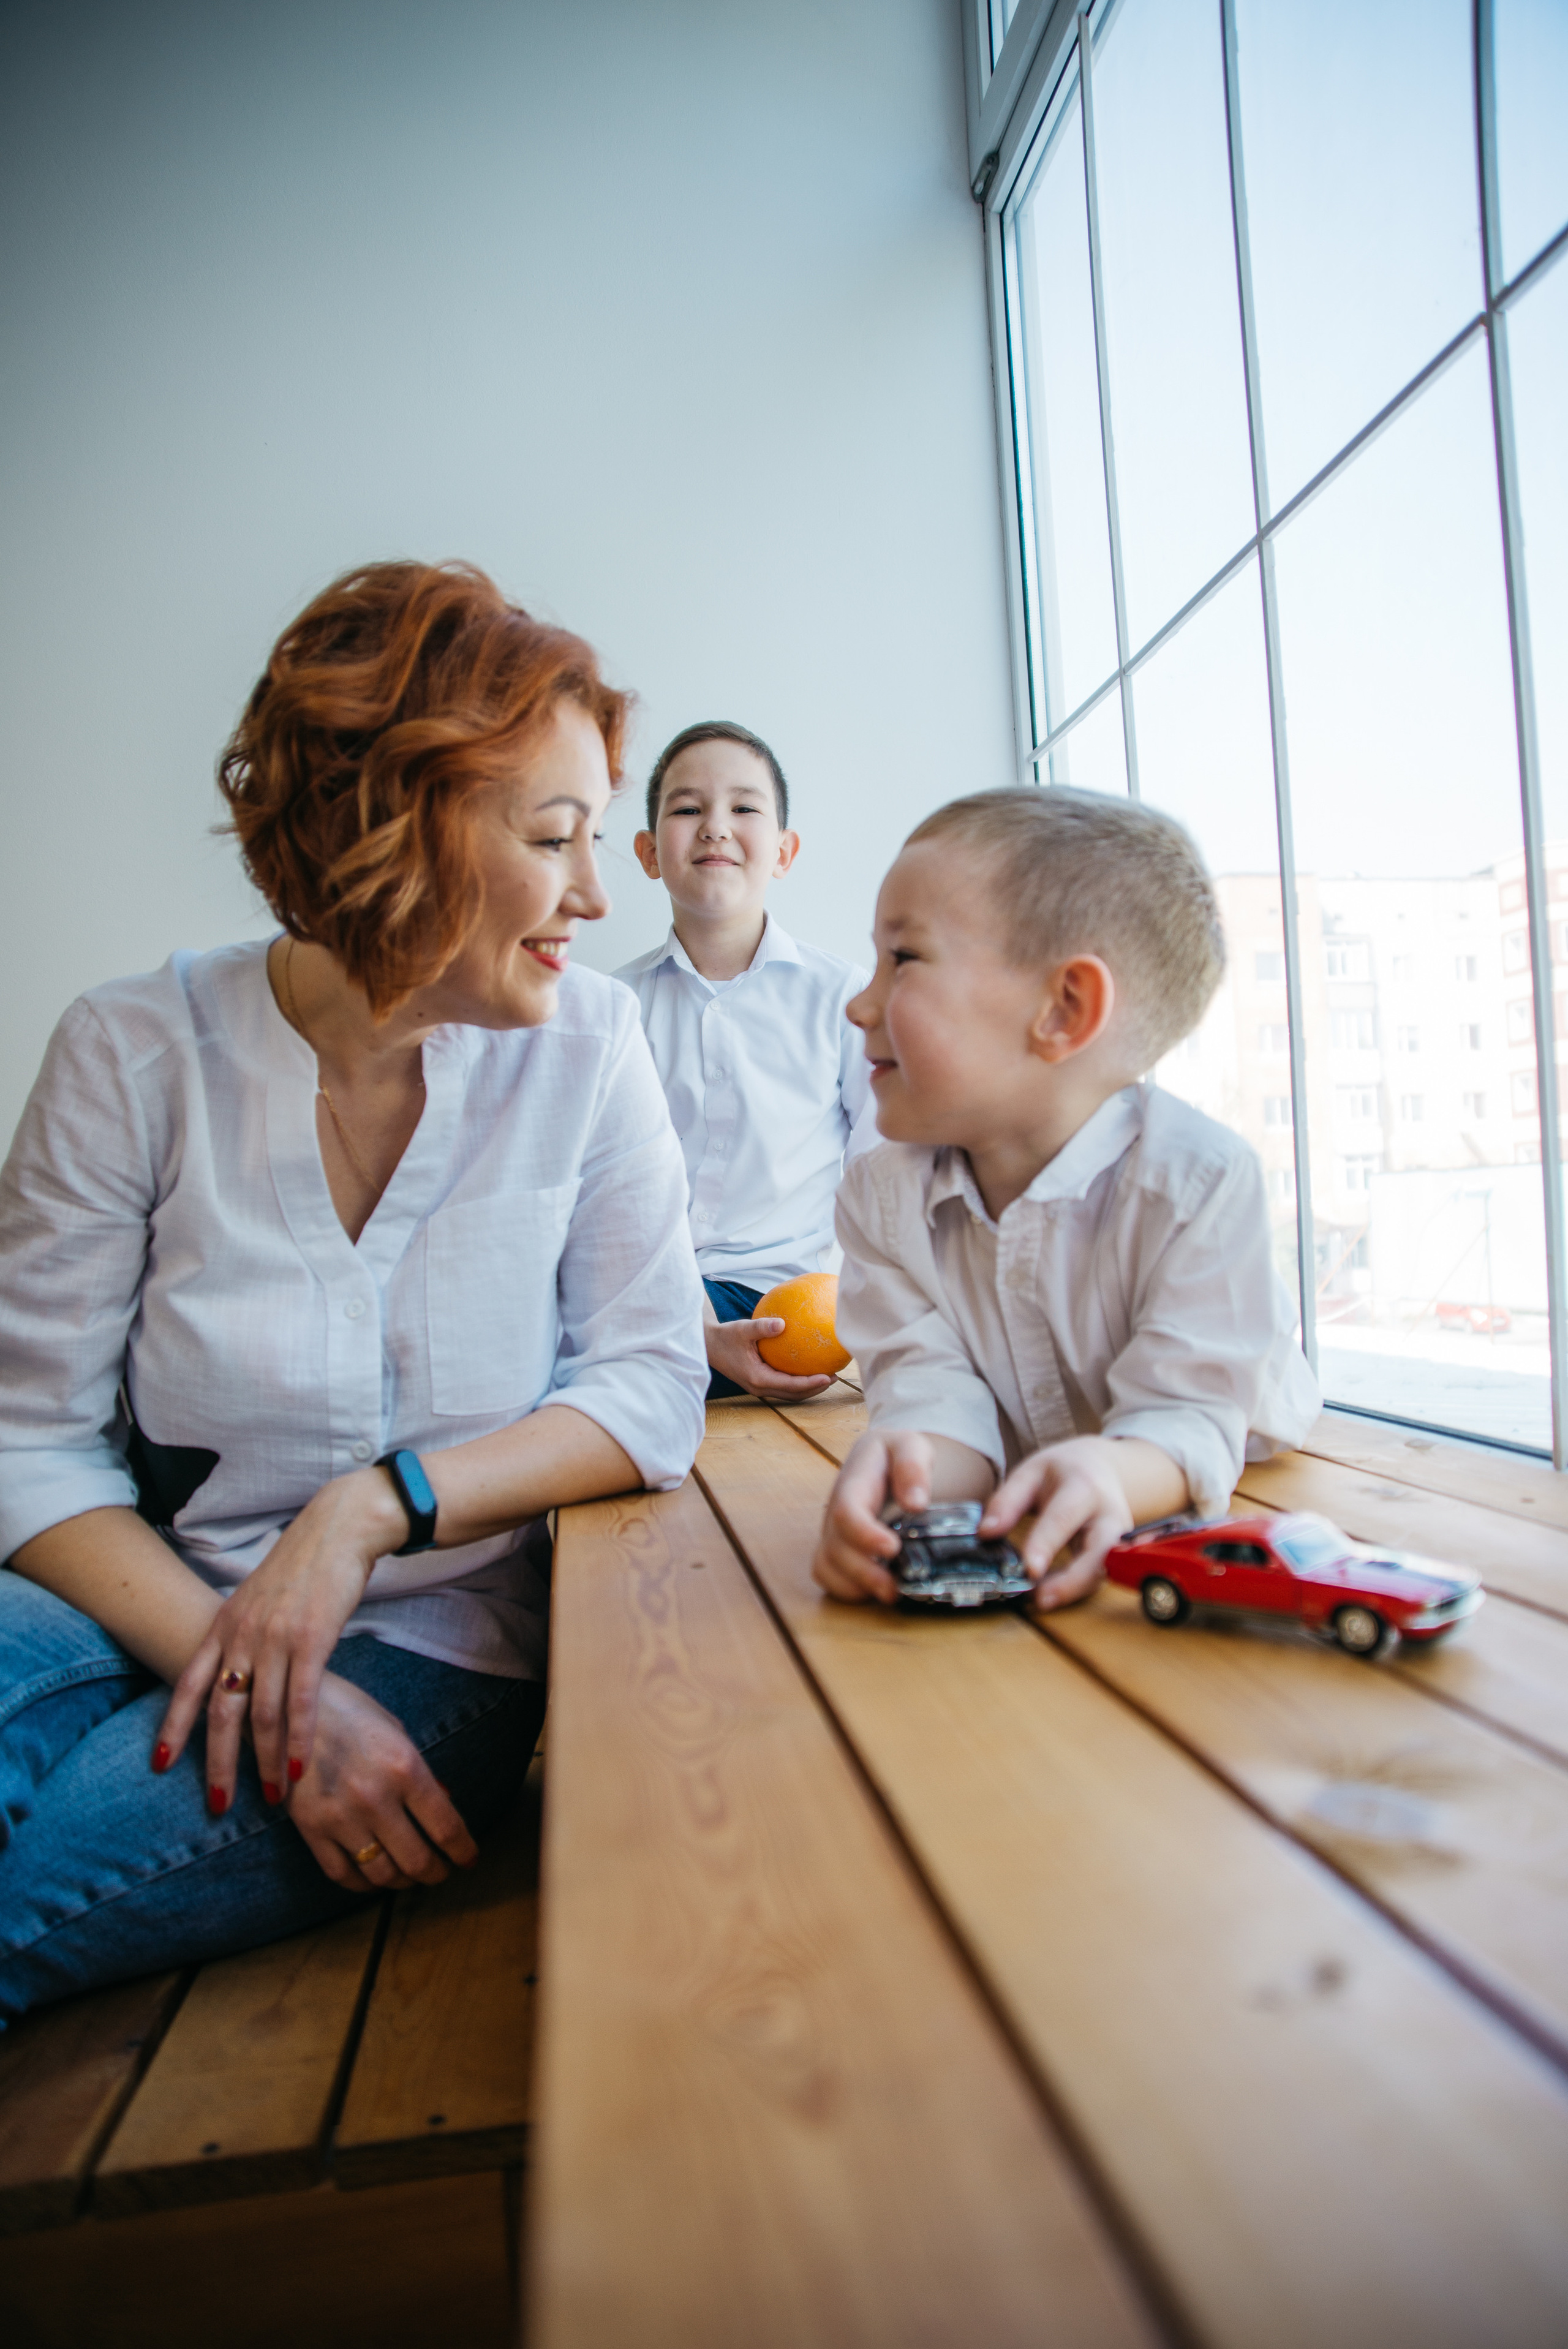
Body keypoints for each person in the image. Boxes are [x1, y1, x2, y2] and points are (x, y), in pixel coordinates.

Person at [0, 560, 707, 2022]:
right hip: (139, 1601)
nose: (595, 890)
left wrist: (369, 1508)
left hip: (428, 1639)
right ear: (394, 825)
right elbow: (29, 1442)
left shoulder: (590, 1044)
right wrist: (257, 1679)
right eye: (554, 836)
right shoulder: (131, 1051)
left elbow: (648, 1380)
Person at [812, 786, 1320, 1611]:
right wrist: (904, 1480)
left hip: (1248, 1461)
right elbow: (931, 1394)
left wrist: (1113, 1469)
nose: (857, 1002)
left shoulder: (1199, 1180)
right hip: (1036, 1475)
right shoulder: (879, 1196)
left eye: (902, 959)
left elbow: (1190, 1417)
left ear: (1064, 1009)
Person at [614, 720, 876, 1401]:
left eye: (743, 807)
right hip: (635, 1289)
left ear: (784, 852)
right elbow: (596, 1191)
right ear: (648, 853)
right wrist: (690, 1320)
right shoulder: (611, 1009)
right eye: (687, 808)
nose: (715, 827)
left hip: (776, 1305)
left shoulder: (844, 997)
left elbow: (886, 1171)